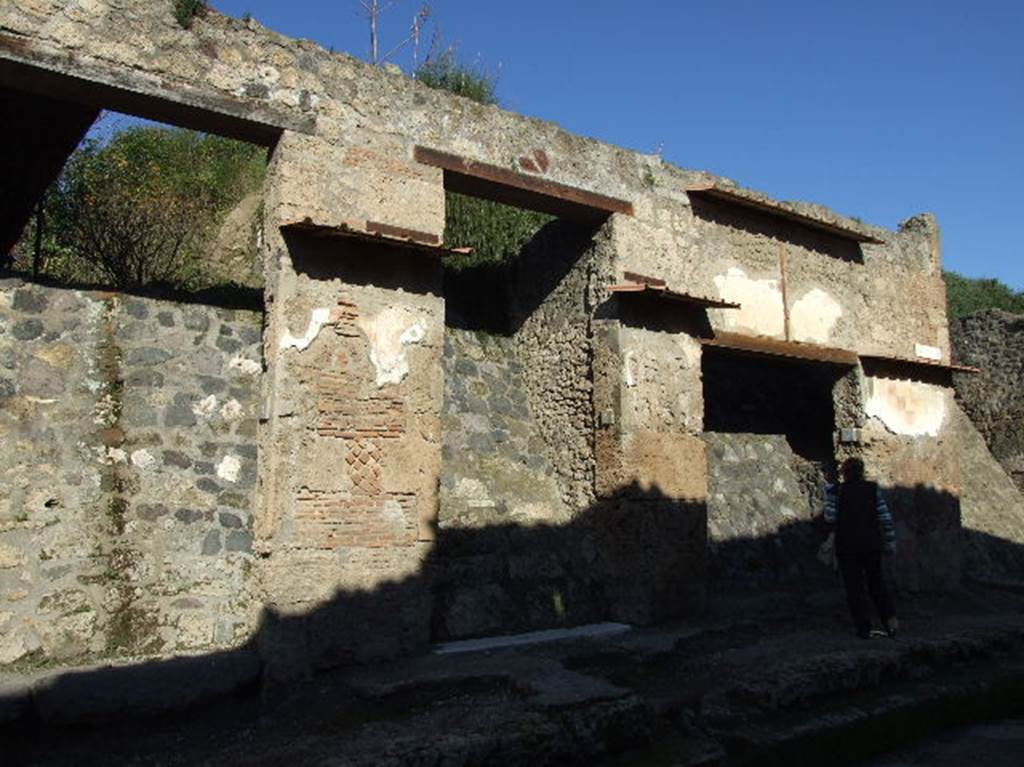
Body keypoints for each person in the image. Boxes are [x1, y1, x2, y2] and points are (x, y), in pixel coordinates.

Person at [824, 457, 898, 639]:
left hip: (847, 547)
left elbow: (830, 517)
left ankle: (864, 629)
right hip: (871, 544)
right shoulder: (873, 489)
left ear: (844, 473)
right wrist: (890, 540)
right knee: (877, 584)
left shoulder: (836, 491)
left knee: (854, 588)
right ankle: (891, 625)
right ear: (862, 471)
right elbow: (885, 517)